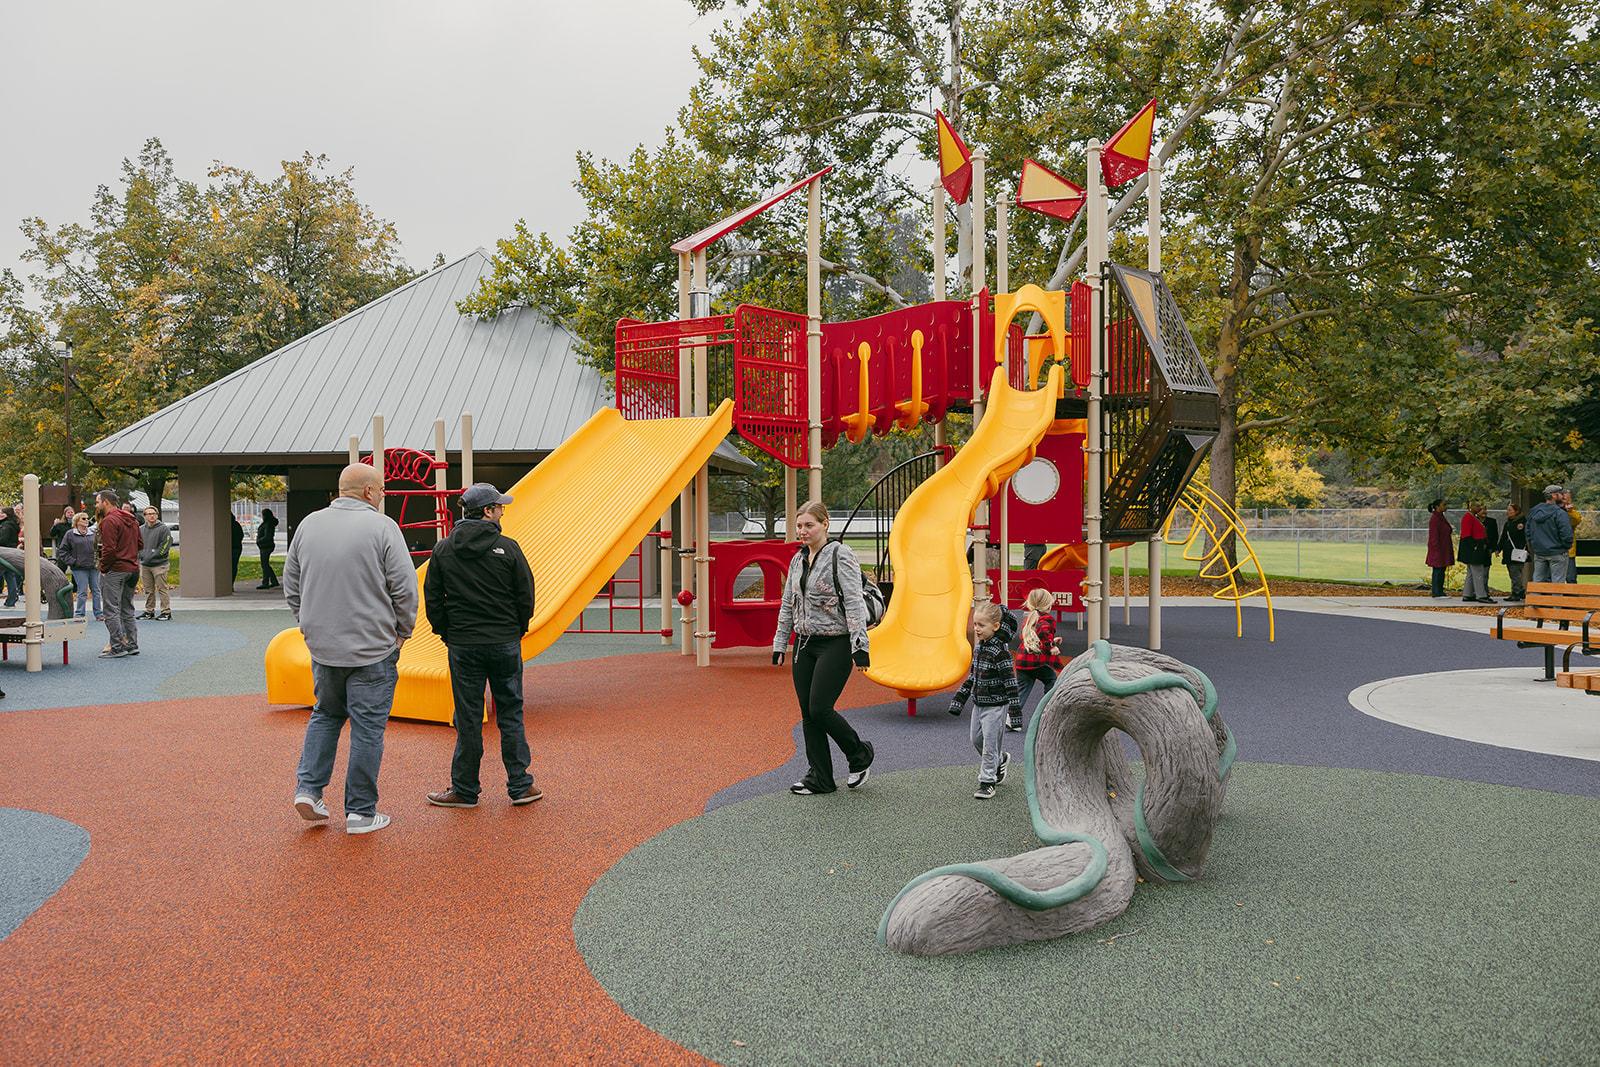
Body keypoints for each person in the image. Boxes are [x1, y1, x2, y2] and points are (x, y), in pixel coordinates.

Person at [285, 464, 417, 835]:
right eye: (383, 489)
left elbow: (291, 583)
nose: (384, 495)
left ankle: (309, 789)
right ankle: (360, 811)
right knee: (367, 729)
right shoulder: (382, 527)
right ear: (369, 492)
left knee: (326, 714)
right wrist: (402, 632)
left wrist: (307, 622)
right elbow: (404, 587)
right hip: (373, 647)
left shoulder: (309, 525)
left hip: (324, 646)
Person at [422, 483, 540, 809]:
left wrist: (448, 633)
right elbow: (525, 595)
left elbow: (433, 599)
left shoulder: (443, 549)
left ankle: (464, 789)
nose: (502, 511)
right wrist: (515, 630)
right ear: (487, 511)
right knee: (511, 713)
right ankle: (521, 786)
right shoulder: (508, 547)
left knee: (468, 717)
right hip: (503, 642)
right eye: (499, 507)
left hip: (463, 644)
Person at [771, 500, 874, 796]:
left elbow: (853, 602)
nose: (803, 531)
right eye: (799, 526)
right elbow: (788, 604)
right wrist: (780, 642)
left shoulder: (841, 555)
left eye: (809, 525)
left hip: (835, 642)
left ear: (825, 524)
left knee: (820, 708)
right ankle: (821, 778)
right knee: (808, 714)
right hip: (804, 644)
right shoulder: (798, 559)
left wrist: (859, 645)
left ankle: (859, 754)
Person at [950, 600, 1022, 800]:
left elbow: (1010, 683)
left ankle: (987, 782)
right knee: (976, 739)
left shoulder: (1001, 652)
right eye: (975, 624)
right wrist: (959, 700)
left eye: (981, 625)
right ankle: (1000, 759)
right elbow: (972, 677)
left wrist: (1015, 713)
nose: (976, 629)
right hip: (979, 704)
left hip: (996, 706)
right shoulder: (979, 649)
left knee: (990, 744)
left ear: (996, 626)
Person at [96, 490, 142, 657]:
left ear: (106, 502)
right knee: (127, 609)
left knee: (111, 609)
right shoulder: (132, 520)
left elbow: (109, 549)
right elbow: (140, 544)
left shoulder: (109, 520)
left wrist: (103, 568)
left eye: (97, 502)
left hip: (116, 569)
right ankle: (132, 644)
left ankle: (116, 647)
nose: (96, 505)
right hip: (133, 569)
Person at [1012, 587, 1062, 730]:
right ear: (1048, 605)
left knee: (1022, 690)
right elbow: (1044, 634)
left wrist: (1053, 641)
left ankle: (1012, 718)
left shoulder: (1029, 619)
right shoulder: (1047, 618)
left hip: (1022, 661)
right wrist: (1051, 646)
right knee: (1052, 679)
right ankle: (1048, 710)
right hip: (1035, 662)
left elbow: (1035, 637)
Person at [1527, 485, 1574, 584]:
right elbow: (1566, 534)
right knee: (1557, 584)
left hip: (1540, 552)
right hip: (1558, 552)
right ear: (1554, 495)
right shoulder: (1560, 513)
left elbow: (1528, 531)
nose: (1563, 496)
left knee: (1537, 582)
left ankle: (1535, 595)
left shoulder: (1533, 511)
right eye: (1561, 494)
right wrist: (1565, 547)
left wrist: (1534, 545)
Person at [57, 512, 101, 619]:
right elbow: (62, 551)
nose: (87, 520)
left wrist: (99, 561)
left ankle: (99, 614)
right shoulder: (70, 534)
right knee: (82, 591)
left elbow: (99, 548)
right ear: (77, 521)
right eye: (83, 519)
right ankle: (79, 614)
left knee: (96, 591)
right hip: (79, 568)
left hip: (93, 567)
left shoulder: (92, 533)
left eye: (87, 518)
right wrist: (73, 562)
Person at [137, 506, 173, 620]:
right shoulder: (140, 529)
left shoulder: (163, 529)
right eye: (149, 514)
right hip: (145, 565)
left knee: (162, 588)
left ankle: (166, 611)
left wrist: (153, 555)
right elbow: (137, 544)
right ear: (145, 516)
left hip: (160, 564)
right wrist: (142, 555)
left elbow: (165, 545)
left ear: (157, 515)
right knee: (148, 590)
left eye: (154, 513)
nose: (152, 516)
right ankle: (149, 611)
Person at [1458, 503, 1495, 604]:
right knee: (1478, 572)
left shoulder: (1473, 517)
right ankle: (1481, 595)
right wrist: (1474, 545)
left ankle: (1468, 594)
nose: (1479, 508)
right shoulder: (1468, 517)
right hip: (1474, 549)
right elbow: (1466, 534)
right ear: (1471, 507)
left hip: (1475, 547)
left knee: (1471, 573)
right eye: (1477, 506)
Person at [1498, 503, 1529, 603]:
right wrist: (1498, 548)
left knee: (1515, 573)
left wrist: (1518, 527)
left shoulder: (1522, 523)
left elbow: (1520, 536)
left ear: (1516, 512)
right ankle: (1520, 591)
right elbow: (1503, 537)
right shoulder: (1508, 523)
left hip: (1517, 552)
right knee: (1513, 573)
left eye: (1510, 510)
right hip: (1508, 552)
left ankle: (1516, 593)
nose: (1508, 512)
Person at [1424, 499, 1454, 598]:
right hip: (1438, 550)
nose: (1446, 506)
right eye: (1443, 505)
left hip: (1443, 548)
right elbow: (1434, 536)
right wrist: (1437, 550)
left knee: (1441, 570)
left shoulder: (1441, 517)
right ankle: (1436, 592)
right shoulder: (1435, 519)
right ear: (1437, 507)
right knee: (1438, 570)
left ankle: (1440, 591)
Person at [256, 508, 280, 589]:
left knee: (264, 565)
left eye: (262, 515)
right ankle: (274, 581)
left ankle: (265, 582)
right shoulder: (268, 523)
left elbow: (267, 536)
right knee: (265, 564)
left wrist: (259, 540)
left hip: (266, 546)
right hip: (266, 546)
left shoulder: (268, 524)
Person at [0, 506, 19, 607]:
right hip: (11, 553)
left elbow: (3, 540)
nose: (0, 514)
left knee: (8, 576)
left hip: (4, 553)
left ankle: (11, 600)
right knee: (10, 576)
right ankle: (11, 600)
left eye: (2, 513)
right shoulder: (12, 524)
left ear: (7, 514)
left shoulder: (6, 525)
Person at [1564, 489, 1583, 584]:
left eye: (1569, 498)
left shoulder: (1573, 513)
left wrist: (1569, 512)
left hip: (1569, 551)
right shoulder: (1554, 512)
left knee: (1571, 578)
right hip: (1555, 552)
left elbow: (1577, 520)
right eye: (1565, 498)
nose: (1567, 501)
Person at [230, 513, 244, 583]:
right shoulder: (237, 525)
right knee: (234, 566)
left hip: (232, 547)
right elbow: (241, 535)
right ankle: (231, 582)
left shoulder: (228, 526)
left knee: (230, 566)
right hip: (237, 547)